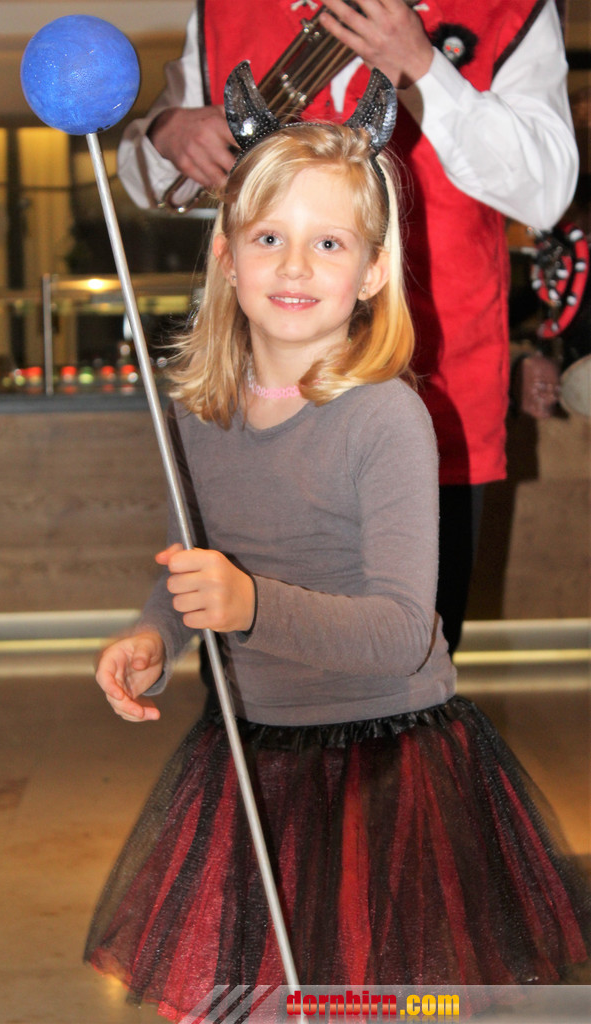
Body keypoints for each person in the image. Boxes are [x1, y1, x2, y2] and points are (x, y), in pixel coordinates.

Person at [86, 68, 589, 1021]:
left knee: (382, 1001)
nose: (293, 266)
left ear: (370, 272)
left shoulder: (384, 419)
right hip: (253, 755)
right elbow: (191, 566)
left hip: (386, 765)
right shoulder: (198, 413)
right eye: (267, 237)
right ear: (226, 257)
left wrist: (250, 606)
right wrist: (156, 635)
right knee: (263, 998)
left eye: (327, 243)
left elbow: (400, 632)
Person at [117, 0, 579, 654]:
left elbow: (546, 191)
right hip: (256, 405)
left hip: (437, 393)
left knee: (407, 661)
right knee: (244, 666)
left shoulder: (508, 7)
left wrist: (423, 67)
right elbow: (147, 177)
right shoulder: (224, 9)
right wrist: (167, 131)